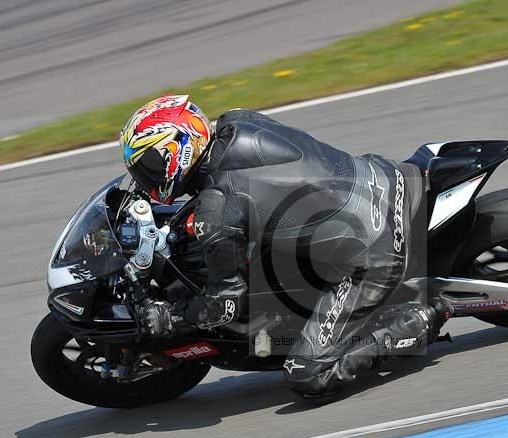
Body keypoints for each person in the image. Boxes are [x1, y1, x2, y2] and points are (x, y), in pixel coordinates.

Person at [120, 95, 448, 399]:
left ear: (177, 150)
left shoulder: (217, 207)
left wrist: (172, 317)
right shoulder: (237, 122)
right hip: (382, 178)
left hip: (375, 252)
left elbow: (225, 304)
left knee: (307, 374)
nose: (145, 177)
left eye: (149, 165)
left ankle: (415, 322)